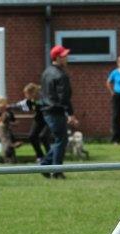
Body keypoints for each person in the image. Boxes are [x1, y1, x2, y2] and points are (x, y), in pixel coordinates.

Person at [39, 45, 78, 179]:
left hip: (46, 110)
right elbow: (64, 97)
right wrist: (71, 114)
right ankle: (56, 170)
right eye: (64, 56)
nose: (67, 57)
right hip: (56, 111)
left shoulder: (46, 72)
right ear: (57, 58)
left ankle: (46, 166)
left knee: (60, 140)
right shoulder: (61, 75)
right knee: (61, 140)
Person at [15, 83, 50, 161]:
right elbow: (19, 105)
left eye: (26, 94)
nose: (25, 96)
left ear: (33, 93)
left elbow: (45, 106)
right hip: (38, 119)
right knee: (32, 136)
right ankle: (40, 156)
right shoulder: (30, 100)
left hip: (48, 119)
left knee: (43, 136)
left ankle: (50, 155)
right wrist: (8, 107)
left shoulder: (44, 98)